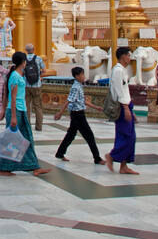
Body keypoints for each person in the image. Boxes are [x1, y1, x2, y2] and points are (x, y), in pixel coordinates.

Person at [0, 51, 50, 177]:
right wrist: (13, 116)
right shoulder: (15, 76)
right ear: (23, 62)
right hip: (16, 111)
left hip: (20, 110)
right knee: (11, 140)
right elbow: (13, 97)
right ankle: (3, 168)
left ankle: (33, 166)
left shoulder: (18, 75)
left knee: (24, 139)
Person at [53, 65, 102, 166]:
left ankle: (60, 153)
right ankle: (97, 158)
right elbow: (68, 101)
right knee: (89, 136)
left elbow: (82, 100)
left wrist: (96, 107)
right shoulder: (75, 87)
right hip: (78, 114)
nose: (83, 76)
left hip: (77, 113)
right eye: (82, 74)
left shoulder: (79, 85)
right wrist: (60, 113)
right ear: (76, 76)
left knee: (71, 134)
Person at [105, 46, 138, 174]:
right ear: (123, 56)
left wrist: (131, 109)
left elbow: (124, 90)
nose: (129, 58)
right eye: (128, 55)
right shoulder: (118, 71)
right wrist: (125, 108)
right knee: (127, 136)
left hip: (126, 104)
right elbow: (118, 90)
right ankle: (112, 156)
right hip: (122, 106)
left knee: (128, 136)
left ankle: (123, 166)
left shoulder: (122, 70)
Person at [23, 43, 45, 132]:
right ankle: (39, 126)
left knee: (27, 106)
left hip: (26, 85)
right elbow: (44, 70)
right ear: (34, 49)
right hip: (37, 85)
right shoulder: (39, 58)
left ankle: (27, 126)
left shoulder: (23, 59)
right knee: (38, 106)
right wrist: (39, 75)